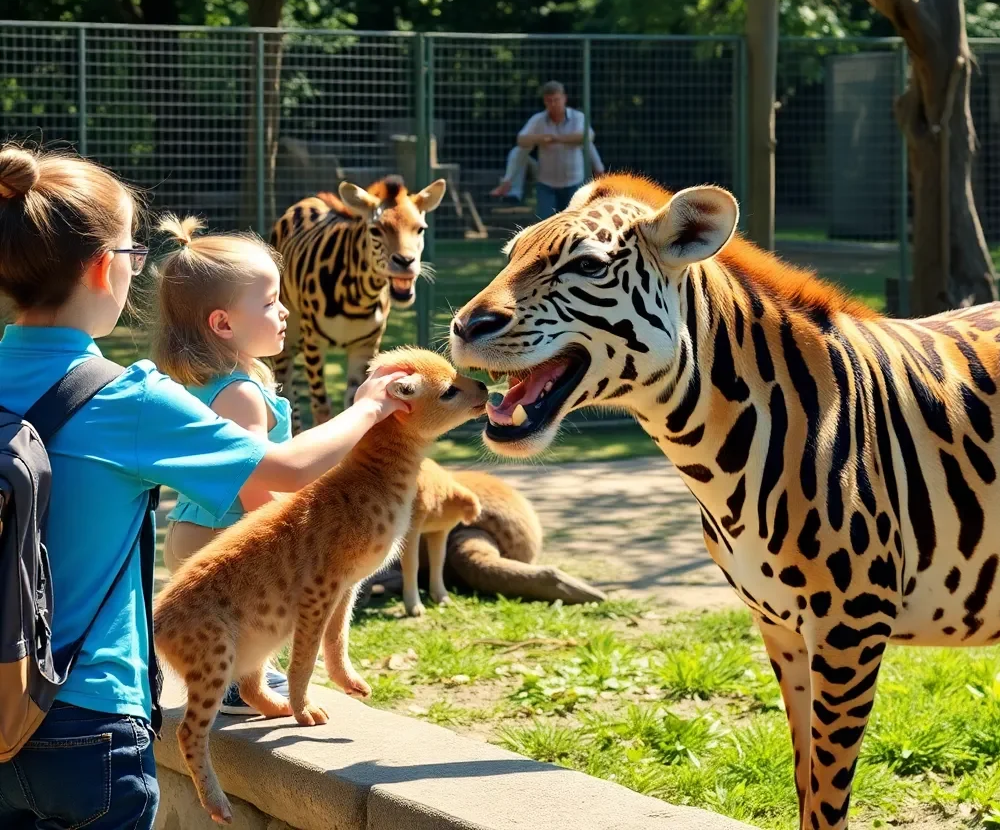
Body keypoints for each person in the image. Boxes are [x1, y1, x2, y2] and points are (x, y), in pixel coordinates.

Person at [0, 144, 408, 830]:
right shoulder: (125, 399)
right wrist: (368, 405)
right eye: (133, 257)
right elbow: (283, 472)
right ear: (105, 269)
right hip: (89, 714)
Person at [153, 215, 292, 716]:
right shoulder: (241, 395)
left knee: (232, 614)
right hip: (223, 533)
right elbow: (254, 486)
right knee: (248, 611)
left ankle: (235, 675)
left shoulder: (211, 381)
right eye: (271, 302)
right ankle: (234, 682)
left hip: (192, 527)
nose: (284, 312)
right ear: (224, 323)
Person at [490, 80, 605, 219]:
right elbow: (521, 140)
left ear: (564, 98)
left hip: (574, 183)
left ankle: (600, 171)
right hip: (546, 184)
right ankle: (510, 184)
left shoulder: (577, 117)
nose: (553, 104)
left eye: (556, 100)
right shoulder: (538, 120)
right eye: (549, 101)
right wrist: (540, 139)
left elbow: (588, 137)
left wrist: (556, 139)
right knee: (545, 226)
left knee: (573, 226)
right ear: (544, 102)